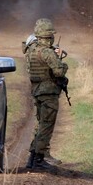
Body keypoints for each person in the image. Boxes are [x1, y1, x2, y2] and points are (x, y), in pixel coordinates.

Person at [24, 18, 68, 169]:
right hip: (49, 93)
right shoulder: (48, 53)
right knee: (46, 127)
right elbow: (59, 71)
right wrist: (61, 59)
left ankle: (32, 158)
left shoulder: (31, 49)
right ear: (49, 36)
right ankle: (39, 159)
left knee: (40, 125)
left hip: (37, 92)